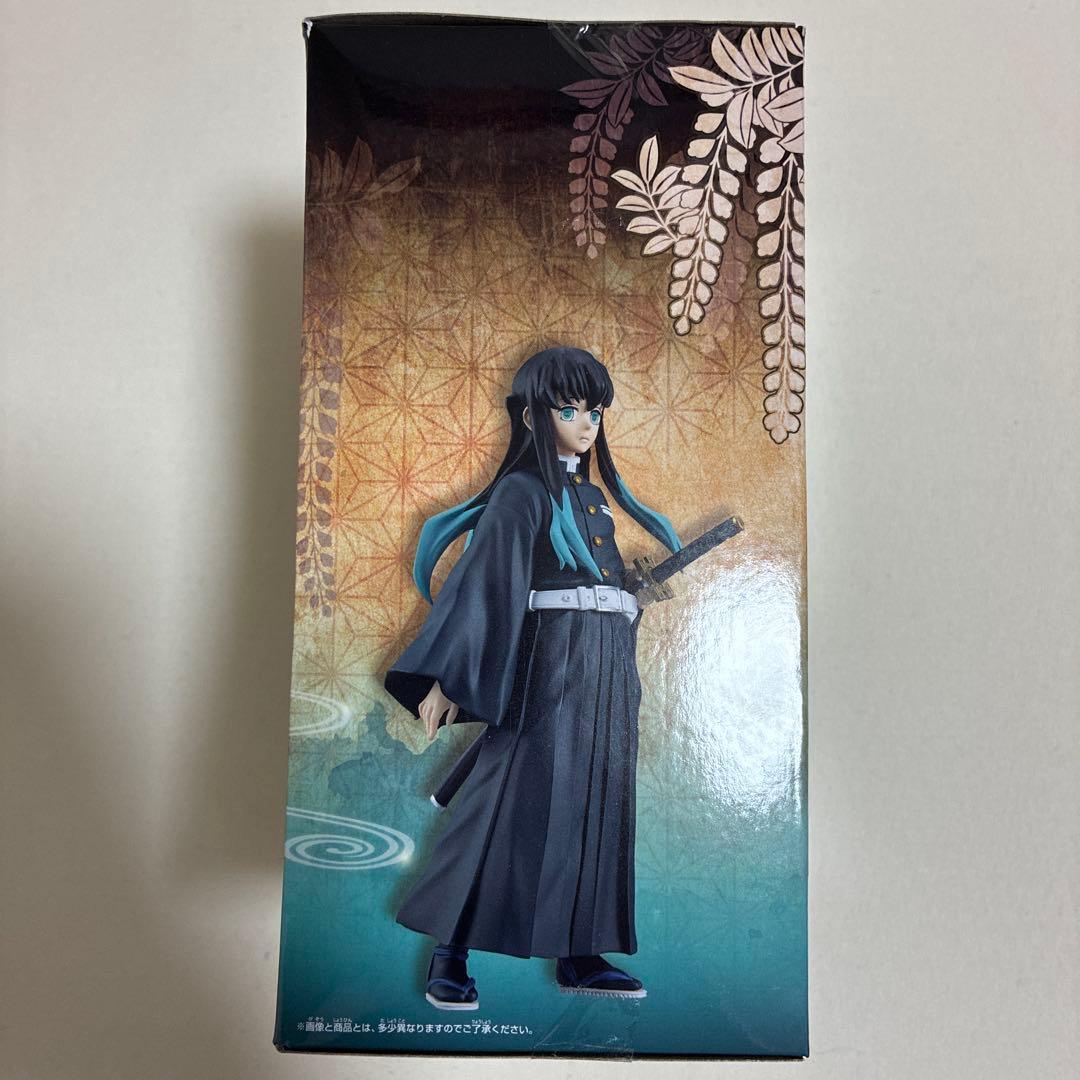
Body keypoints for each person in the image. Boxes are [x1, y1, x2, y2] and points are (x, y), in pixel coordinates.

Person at [383, 346, 681, 1009]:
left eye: (594, 412)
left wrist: (629, 598)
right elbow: (485, 584)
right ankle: (448, 952)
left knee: (598, 804)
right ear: (532, 415)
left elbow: (596, 586)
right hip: (547, 668)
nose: (586, 424)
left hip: (605, 669)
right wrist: (449, 679)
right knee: (498, 806)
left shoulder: (593, 499)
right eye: (570, 410)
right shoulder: (521, 493)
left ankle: (580, 952)